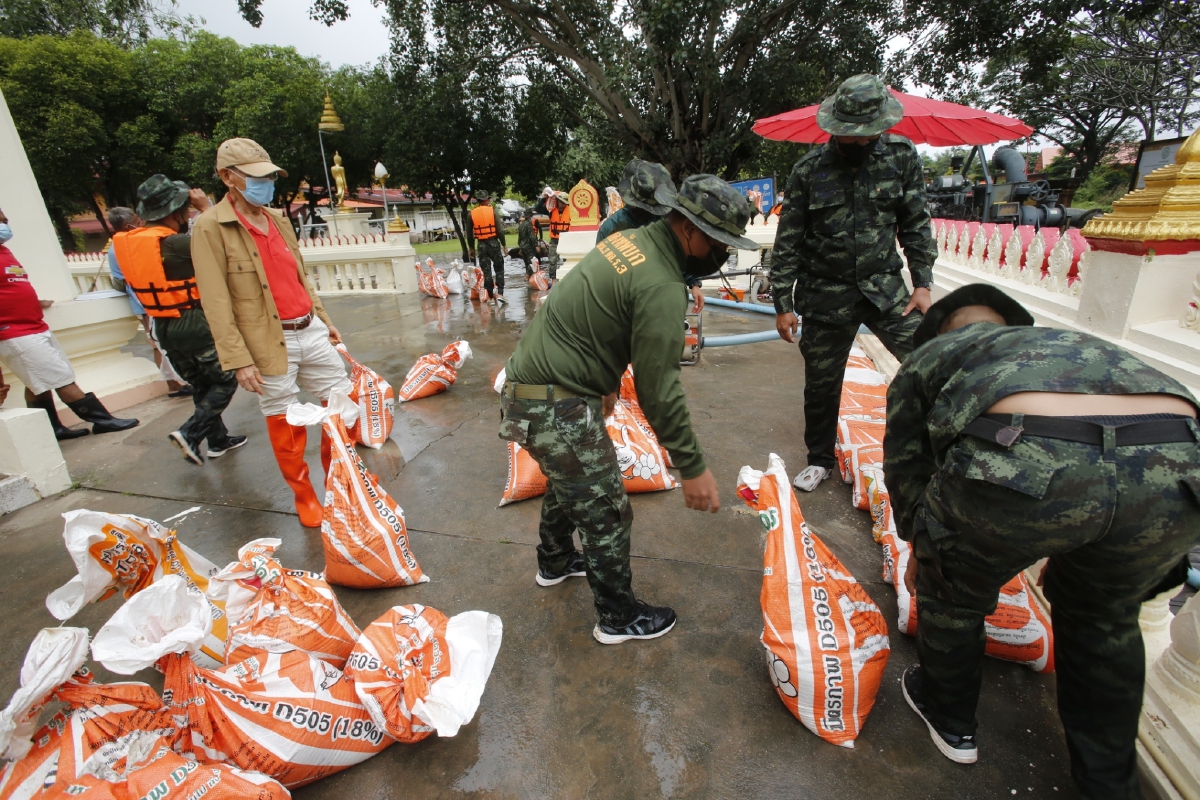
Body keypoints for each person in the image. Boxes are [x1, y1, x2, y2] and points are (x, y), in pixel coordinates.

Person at [884, 283, 1200, 797]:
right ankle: (1108, 786)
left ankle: (952, 719)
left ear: (942, 331)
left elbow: (905, 461)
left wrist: (926, 546)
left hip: (1027, 458)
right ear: (1009, 325)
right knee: (1103, 617)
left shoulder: (935, 355)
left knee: (954, 592)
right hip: (1178, 467)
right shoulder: (1069, 341)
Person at [500, 175, 754, 645]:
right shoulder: (661, 284)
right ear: (689, 229)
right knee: (607, 510)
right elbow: (660, 390)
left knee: (568, 476)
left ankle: (554, 562)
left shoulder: (631, 242)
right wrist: (693, 466)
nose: (723, 251)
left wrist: (606, 380)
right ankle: (618, 618)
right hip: (554, 401)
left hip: (532, 385)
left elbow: (599, 313)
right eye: (719, 240)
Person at [770, 73, 936, 492]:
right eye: (852, 134)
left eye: (869, 134)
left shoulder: (901, 157)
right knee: (822, 384)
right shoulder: (809, 171)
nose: (861, 141)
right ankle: (819, 459)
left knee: (931, 363)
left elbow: (915, 222)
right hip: (826, 293)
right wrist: (782, 303)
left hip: (885, 290)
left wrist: (922, 283)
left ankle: (937, 452)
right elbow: (788, 240)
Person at [191, 138, 351, 527]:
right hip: (266, 339)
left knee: (341, 405)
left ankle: (340, 484)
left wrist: (325, 320)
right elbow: (214, 302)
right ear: (229, 178)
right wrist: (239, 359)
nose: (268, 184)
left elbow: (300, 277)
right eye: (257, 177)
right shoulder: (211, 227)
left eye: (270, 176)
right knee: (284, 418)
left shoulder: (277, 219)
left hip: (308, 327)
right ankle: (305, 495)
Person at [113, 175, 245, 466]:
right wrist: (207, 208)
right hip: (192, 321)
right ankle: (190, 433)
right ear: (175, 213)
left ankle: (218, 440)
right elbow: (228, 244)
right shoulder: (173, 244)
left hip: (162, 324)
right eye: (185, 210)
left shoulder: (130, 242)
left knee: (201, 385)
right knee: (225, 380)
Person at [0, 209, 138, 439]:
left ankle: (52, 429)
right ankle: (102, 421)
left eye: (5, 220)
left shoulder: (5, 251)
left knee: (38, 383)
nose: (5, 225)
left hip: (34, 325)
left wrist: (33, 301)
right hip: (14, 332)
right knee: (61, 378)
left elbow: (11, 286)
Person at [596, 159, 704, 314]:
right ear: (632, 202)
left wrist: (694, 284)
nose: (650, 212)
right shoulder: (611, 229)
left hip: (660, 299)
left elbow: (678, 255)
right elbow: (601, 275)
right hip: (624, 303)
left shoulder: (664, 223)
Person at [106, 207, 191, 398]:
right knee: (158, 342)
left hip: (149, 300)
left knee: (161, 341)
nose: (143, 224)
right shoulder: (124, 247)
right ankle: (173, 383)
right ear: (129, 226)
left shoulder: (126, 244)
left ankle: (176, 381)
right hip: (148, 302)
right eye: (139, 222)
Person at [469, 191, 507, 305]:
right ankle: (500, 293)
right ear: (486, 200)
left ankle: (490, 297)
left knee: (487, 272)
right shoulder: (492, 210)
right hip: (493, 243)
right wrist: (504, 245)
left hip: (481, 245)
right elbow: (500, 231)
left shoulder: (471, 213)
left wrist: (471, 248)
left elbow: (469, 235)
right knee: (499, 268)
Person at [534, 188, 571, 282]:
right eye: (559, 201)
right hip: (554, 240)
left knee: (568, 260)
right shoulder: (551, 211)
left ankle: (567, 279)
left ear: (566, 203)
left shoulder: (571, 211)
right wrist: (544, 198)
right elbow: (537, 208)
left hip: (566, 239)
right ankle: (553, 280)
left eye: (562, 202)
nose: (560, 204)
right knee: (552, 260)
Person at [517, 209, 539, 276]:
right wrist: (536, 246)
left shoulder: (521, 225)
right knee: (533, 262)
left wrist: (520, 248)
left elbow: (519, 238)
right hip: (529, 246)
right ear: (530, 216)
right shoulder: (528, 224)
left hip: (523, 246)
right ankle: (527, 276)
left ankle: (529, 279)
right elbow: (532, 236)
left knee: (526, 263)